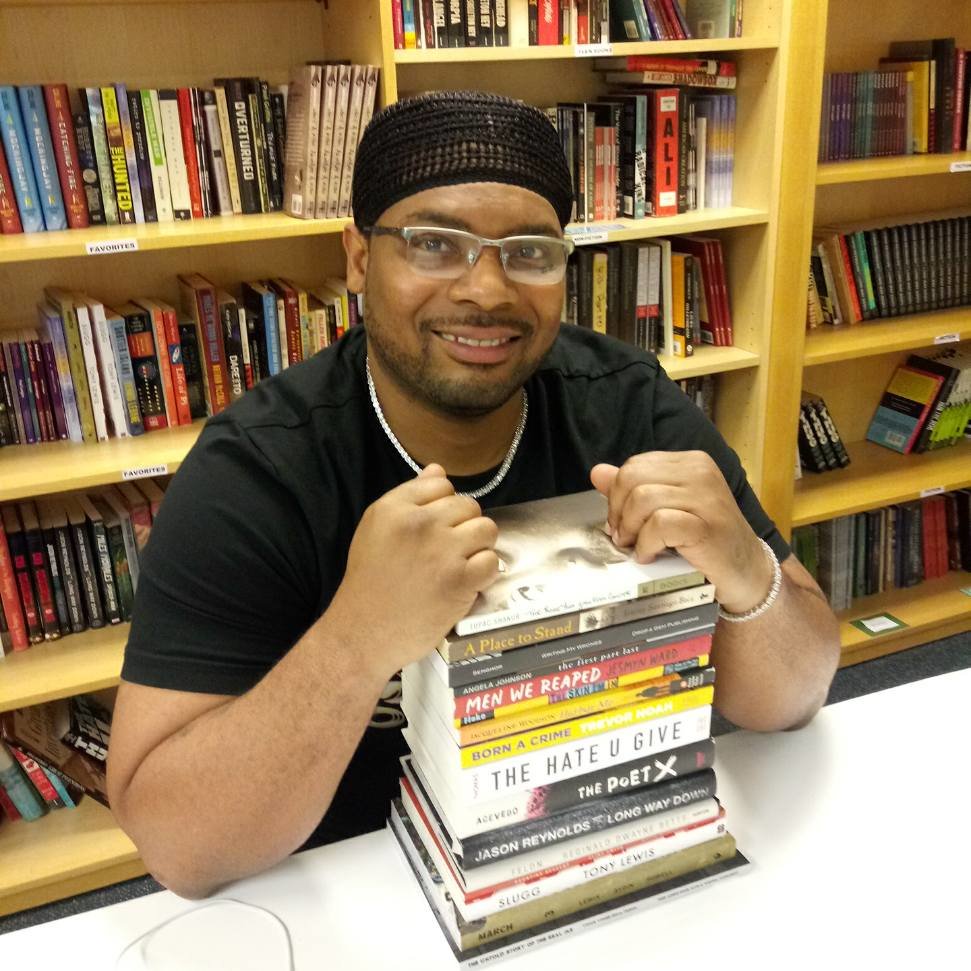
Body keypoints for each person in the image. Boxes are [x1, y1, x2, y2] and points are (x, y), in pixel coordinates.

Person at [107, 90, 840, 900]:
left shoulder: (627, 404)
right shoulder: (258, 471)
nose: (486, 290)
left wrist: (745, 569)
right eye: (433, 244)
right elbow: (178, 847)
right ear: (357, 256)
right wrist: (356, 639)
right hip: (359, 890)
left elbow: (793, 697)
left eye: (528, 251)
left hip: (602, 852)